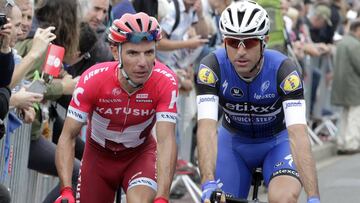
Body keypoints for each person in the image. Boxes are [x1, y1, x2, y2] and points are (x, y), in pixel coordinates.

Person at [195, 1, 320, 203]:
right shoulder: (211, 68)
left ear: (265, 42)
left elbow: (298, 134)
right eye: (233, 42)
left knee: (283, 198)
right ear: (223, 42)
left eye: (250, 42)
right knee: (216, 200)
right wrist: (208, 182)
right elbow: (207, 128)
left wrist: (314, 197)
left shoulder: (284, 71)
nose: (241, 51)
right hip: (233, 144)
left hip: (277, 143)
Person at [55, 12, 178, 203]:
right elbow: (68, 136)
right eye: (133, 53)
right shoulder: (93, 79)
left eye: (149, 52)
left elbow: (166, 141)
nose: (143, 63)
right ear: (115, 52)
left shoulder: (165, 81)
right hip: (98, 159)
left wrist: (162, 197)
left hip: (139, 156)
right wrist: (66, 190)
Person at [331, 19, 360, 155]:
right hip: (353, 85)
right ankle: (351, 143)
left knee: (344, 115)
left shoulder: (342, 42)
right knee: (354, 115)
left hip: (341, 85)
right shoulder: (355, 44)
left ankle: (341, 142)